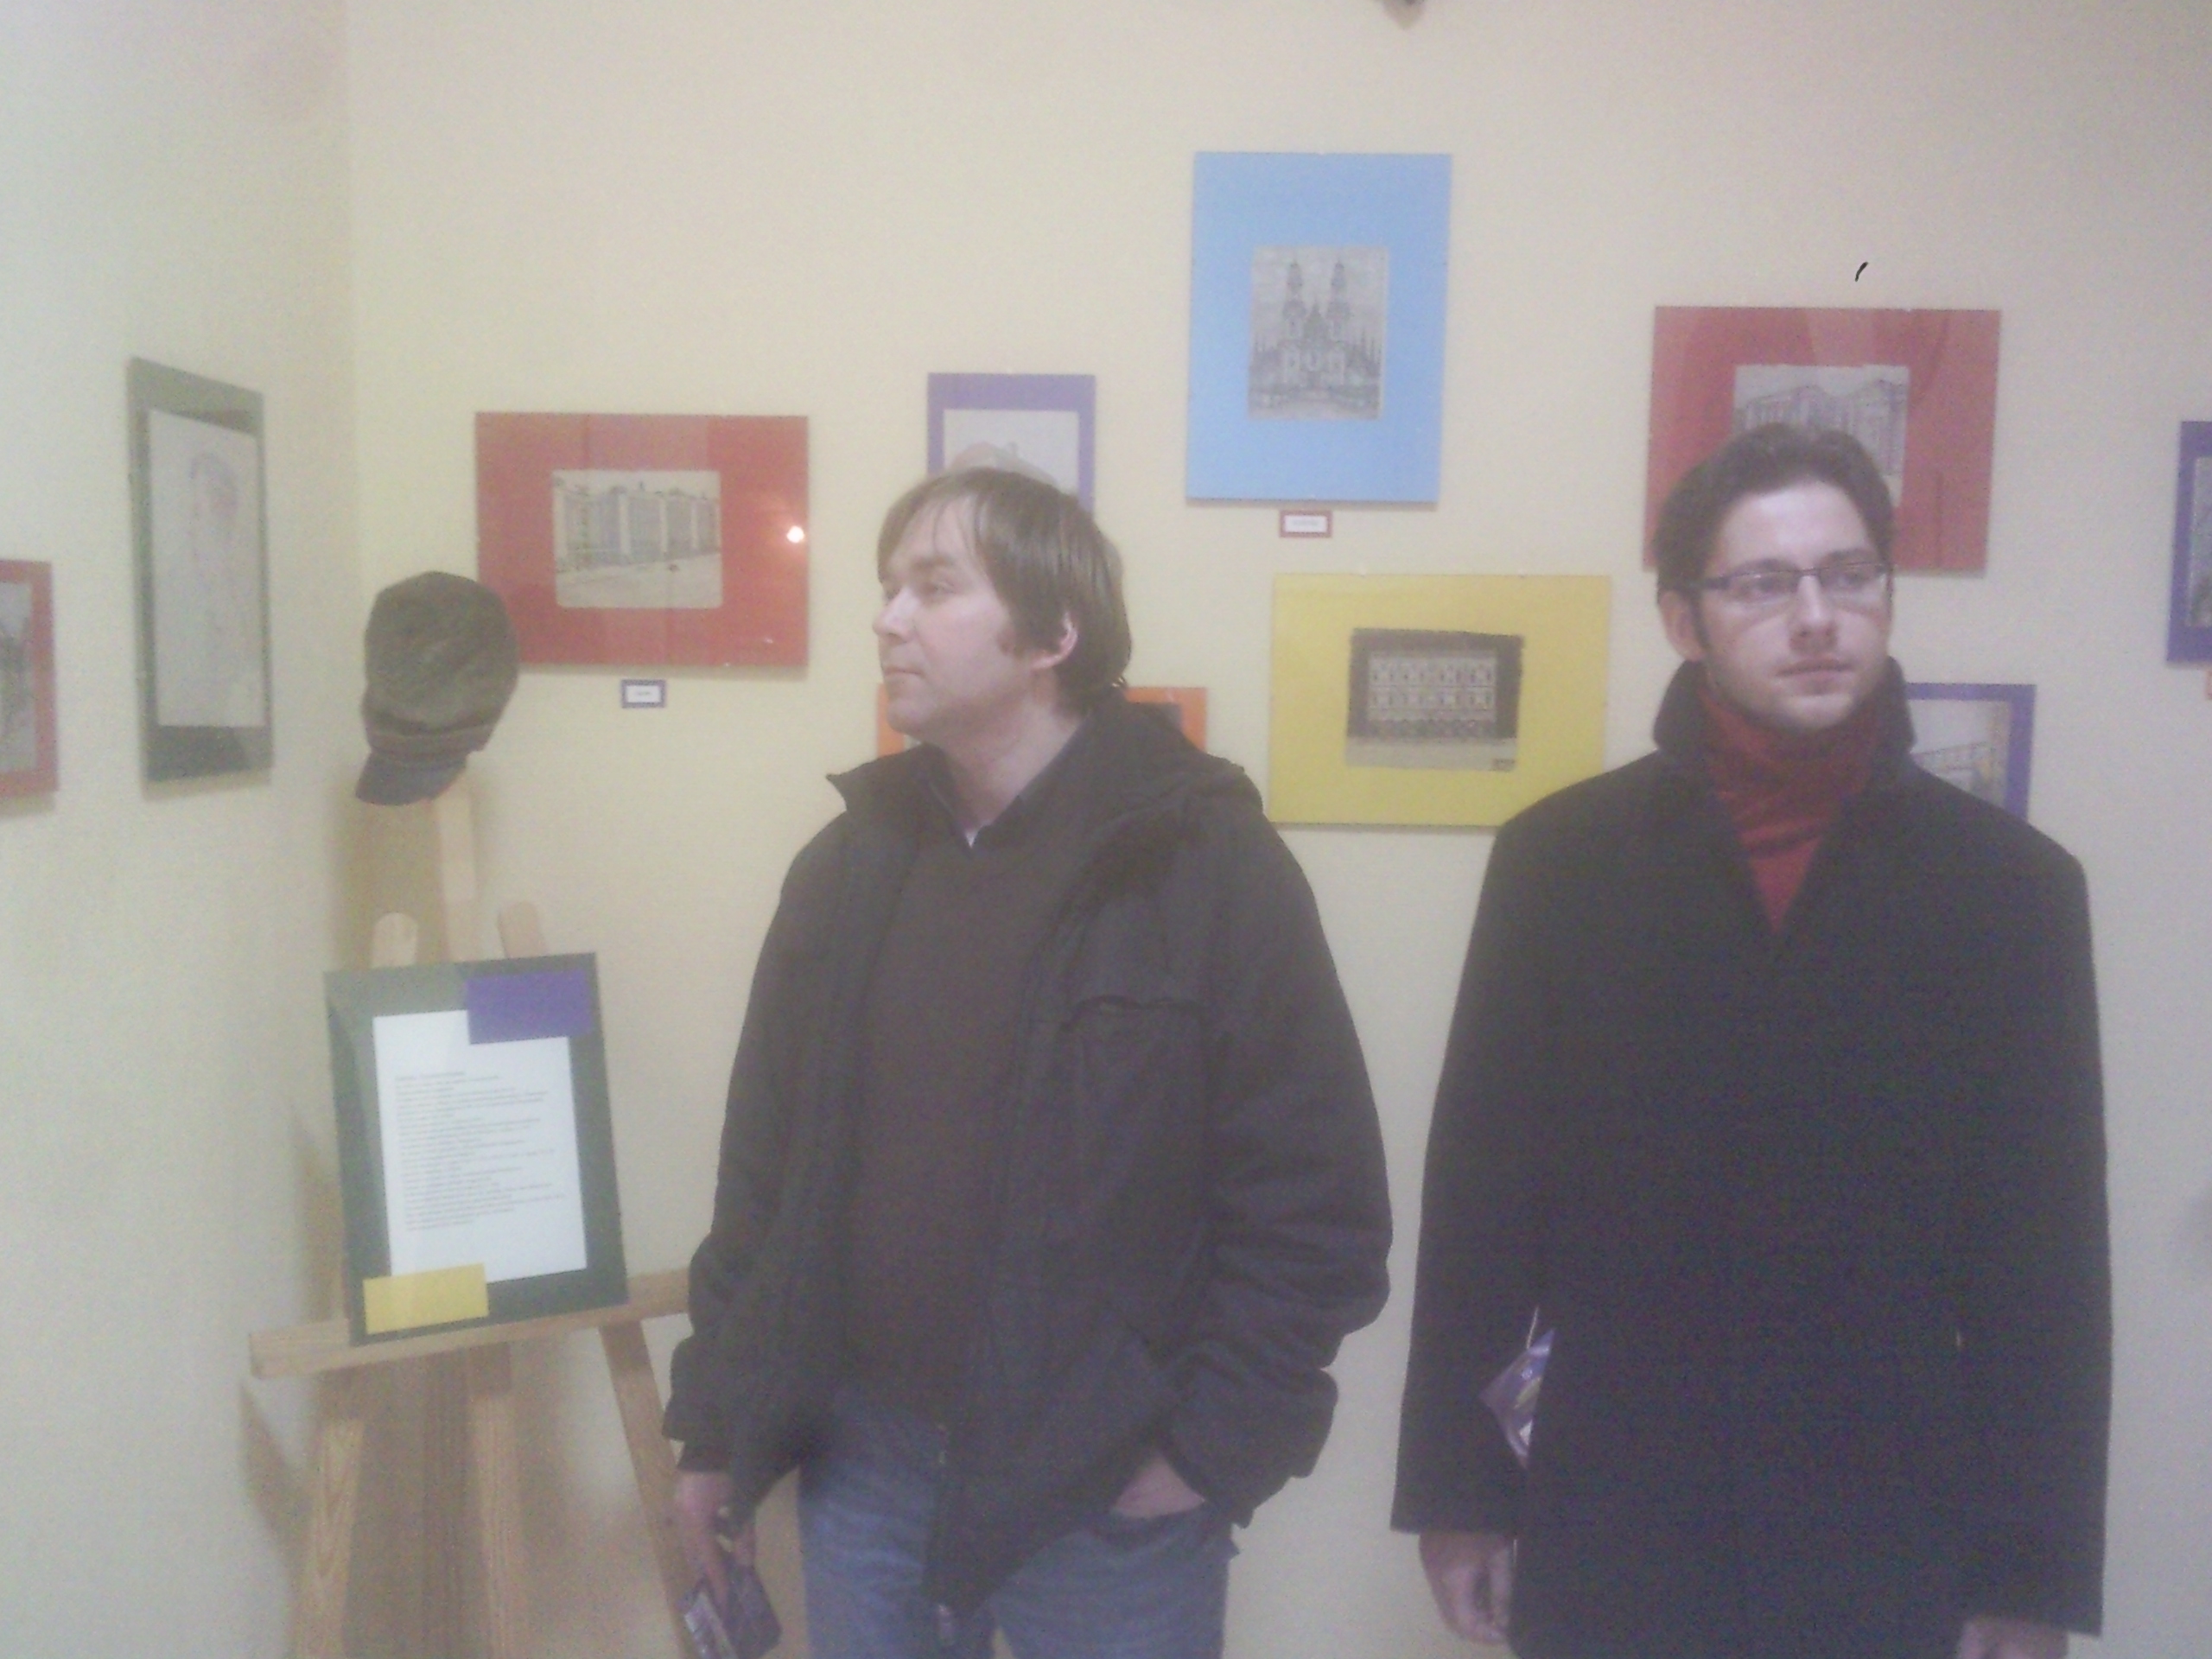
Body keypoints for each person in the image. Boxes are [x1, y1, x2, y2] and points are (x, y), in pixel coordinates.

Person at [1394, 424, 2109, 1659]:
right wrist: (1461, 1494)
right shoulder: (1561, 864)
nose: (1818, 617)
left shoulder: (2011, 890)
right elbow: (1483, 1206)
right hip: (1617, 1494)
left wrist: (2031, 1575)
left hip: (1886, 1514)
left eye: (1851, 574)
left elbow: (2045, 1270)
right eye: (1766, 583)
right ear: (1685, 620)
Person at [664, 467, 1391, 1659]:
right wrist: (715, 1429)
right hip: (867, 1468)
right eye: (888, 588)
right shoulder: (849, 867)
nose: (887, 620)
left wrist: (1205, 1451)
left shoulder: (1205, 865)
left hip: (1103, 1485)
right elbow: (764, 1179)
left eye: (934, 587)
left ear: (1055, 633)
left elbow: (1317, 1204)